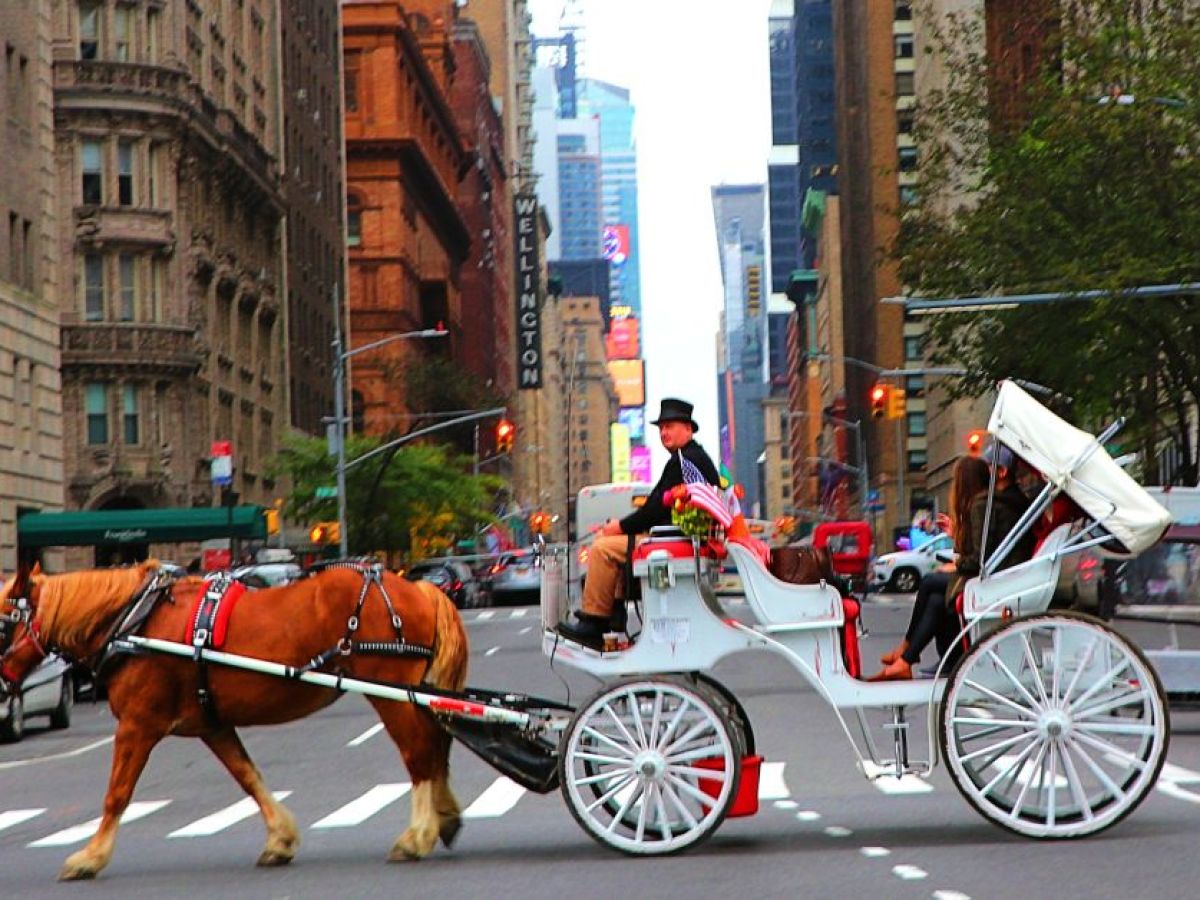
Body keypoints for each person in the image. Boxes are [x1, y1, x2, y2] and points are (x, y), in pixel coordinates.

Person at [556, 398, 720, 647]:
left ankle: (595, 622)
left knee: (602, 548)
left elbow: (655, 510)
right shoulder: (688, 458)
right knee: (609, 541)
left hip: (675, 541)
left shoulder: (685, 462)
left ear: (688, 429)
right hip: (674, 537)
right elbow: (656, 507)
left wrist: (619, 526)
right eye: (661, 428)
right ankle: (612, 611)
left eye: (670, 426)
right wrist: (620, 527)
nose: (664, 433)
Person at [872, 443, 1034, 681]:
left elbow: (979, 558)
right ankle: (907, 658)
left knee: (930, 582)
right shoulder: (1011, 502)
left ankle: (906, 652)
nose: (985, 472)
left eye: (989, 467)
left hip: (996, 580)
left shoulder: (986, 504)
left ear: (1001, 472)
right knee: (937, 598)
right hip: (1006, 575)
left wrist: (957, 565)